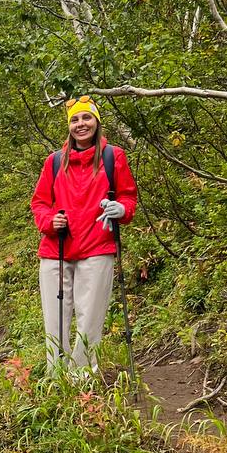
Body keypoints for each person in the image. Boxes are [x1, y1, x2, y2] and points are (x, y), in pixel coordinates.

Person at [30, 96, 137, 371]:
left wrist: (120, 210)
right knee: (56, 321)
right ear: (68, 125)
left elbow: (128, 198)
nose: (81, 124)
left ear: (97, 121)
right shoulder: (54, 161)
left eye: (86, 118)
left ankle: (83, 384)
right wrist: (49, 221)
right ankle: (58, 381)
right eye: (75, 119)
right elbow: (39, 202)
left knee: (89, 320)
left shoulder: (114, 157)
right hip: (57, 250)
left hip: (97, 248)